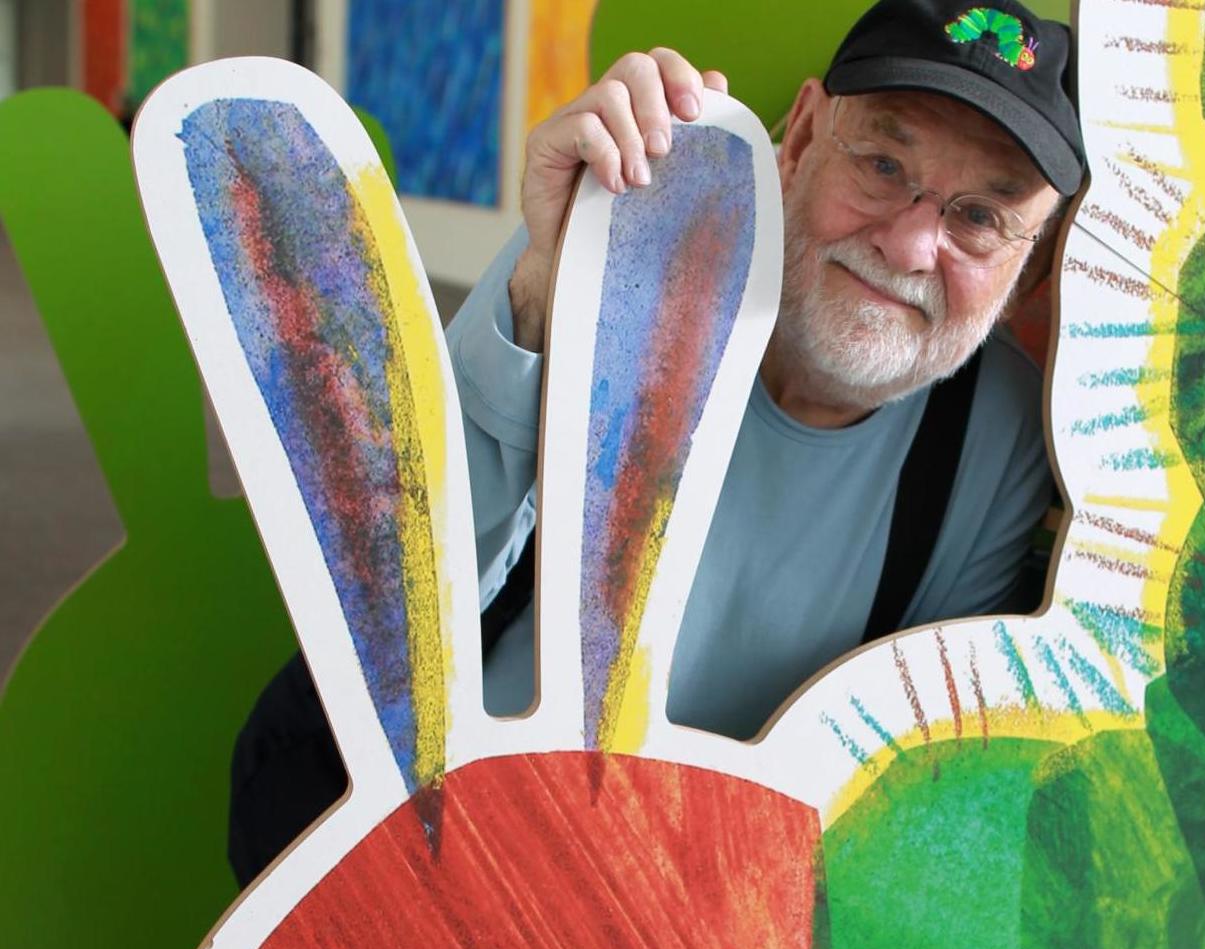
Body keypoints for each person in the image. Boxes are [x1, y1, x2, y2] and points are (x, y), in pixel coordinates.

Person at [228, 0, 1085, 885]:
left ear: (1036, 263)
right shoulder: (621, 256)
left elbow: (908, 796)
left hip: (701, 918)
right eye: (880, 163)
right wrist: (543, 294)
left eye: (980, 218)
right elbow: (381, 603)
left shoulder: (1001, 437)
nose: (910, 245)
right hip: (434, 848)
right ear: (799, 142)